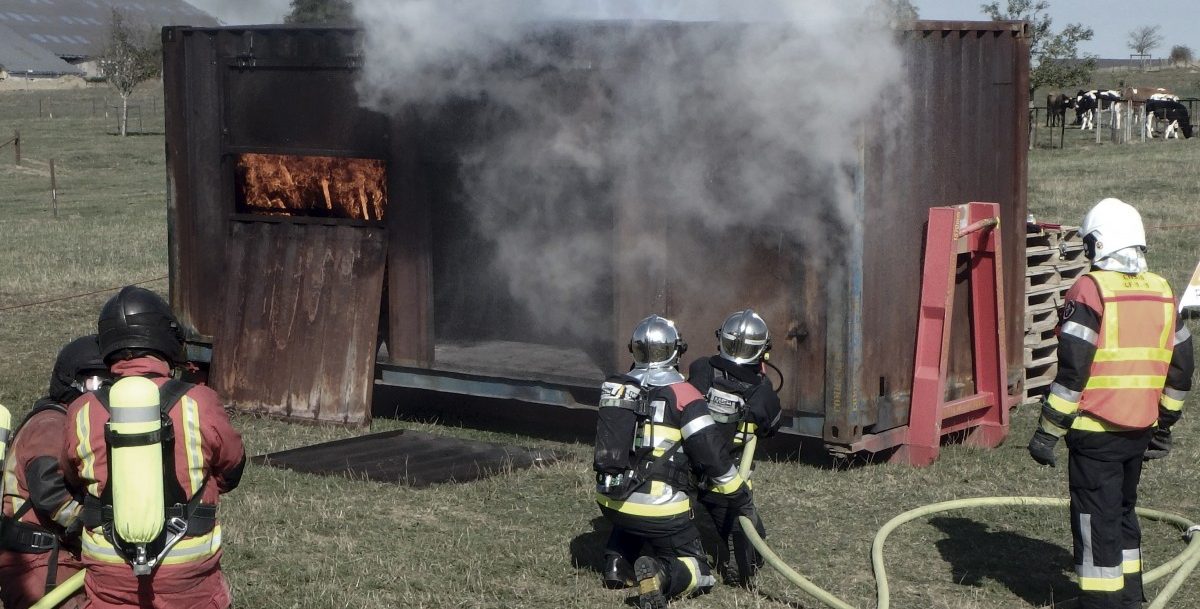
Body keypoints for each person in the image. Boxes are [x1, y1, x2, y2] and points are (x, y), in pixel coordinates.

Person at [1027, 198, 1193, 609]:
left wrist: (1047, 432)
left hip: (1095, 430)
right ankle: (1130, 598)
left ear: (1097, 244)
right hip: (1139, 431)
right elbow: (1182, 369)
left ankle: (1101, 604)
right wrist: (1165, 424)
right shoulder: (1162, 290)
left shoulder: (1091, 289)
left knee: (1094, 519)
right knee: (1122, 512)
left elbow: (1073, 372)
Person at [60, 286, 247, 609]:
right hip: (186, 574)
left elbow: (70, 476)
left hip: (110, 575)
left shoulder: (81, 410)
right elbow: (232, 467)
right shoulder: (199, 402)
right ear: (164, 337)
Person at [593, 314, 753, 609]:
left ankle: (617, 562)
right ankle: (661, 575)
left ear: (633, 350)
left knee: (634, 516)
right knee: (698, 570)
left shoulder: (619, 388)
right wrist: (739, 494)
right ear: (677, 352)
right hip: (660, 511)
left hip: (610, 503)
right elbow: (712, 456)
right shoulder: (685, 396)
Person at [0, 335, 110, 609]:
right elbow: (49, 490)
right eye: (96, 382)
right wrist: (92, 525)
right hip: (40, 565)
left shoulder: (66, 422)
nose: (103, 393)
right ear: (71, 381)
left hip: (54, 558)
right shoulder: (52, 424)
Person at [686, 309, 782, 587]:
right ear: (763, 351)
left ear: (722, 340)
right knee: (754, 545)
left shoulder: (700, 368)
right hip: (727, 481)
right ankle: (740, 564)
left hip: (684, 472)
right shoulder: (762, 391)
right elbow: (771, 428)